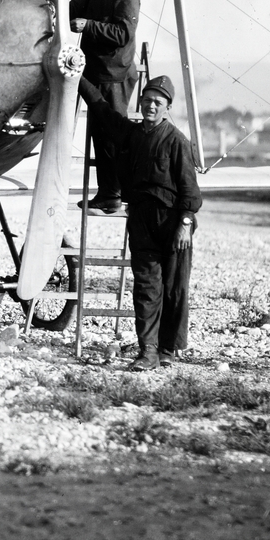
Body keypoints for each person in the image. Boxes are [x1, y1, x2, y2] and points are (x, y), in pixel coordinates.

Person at [76, 73, 201, 371]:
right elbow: (102, 109)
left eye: (157, 102)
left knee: (173, 288)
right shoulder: (131, 134)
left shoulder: (178, 142)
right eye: (147, 101)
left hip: (173, 222)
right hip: (141, 220)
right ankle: (148, 351)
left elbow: (191, 192)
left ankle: (169, 348)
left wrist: (185, 223)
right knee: (146, 286)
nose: (151, 107)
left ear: (167, 107)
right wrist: (79, 76)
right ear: (140, 102)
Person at [67, 0, 140, 214]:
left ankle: (114, 194)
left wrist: (88, 25)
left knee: (112, 135)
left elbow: (124, 33)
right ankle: (108, 193)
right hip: (98, 74)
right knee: (102, 134)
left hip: (114, 75)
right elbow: (73, 9)